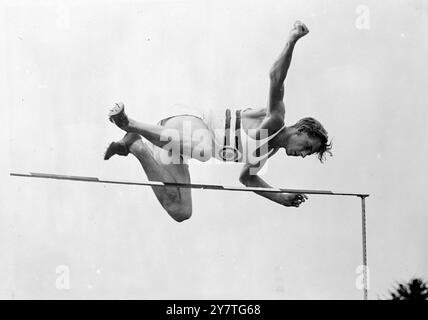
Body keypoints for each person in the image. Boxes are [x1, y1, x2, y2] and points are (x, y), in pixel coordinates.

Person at [104, 21, 332, 222]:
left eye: (307, 154)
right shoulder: (274, 120)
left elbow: (248, 180)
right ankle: (129, 124)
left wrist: (281, 197)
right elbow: (275, 78)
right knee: (205, 150)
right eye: (307, 147)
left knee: (181, 210)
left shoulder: (265, 153)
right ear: (301, 130)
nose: (303, 154)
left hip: (177, 144)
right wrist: (292, 40)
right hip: (188, 122)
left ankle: (136, 146)